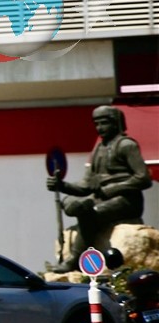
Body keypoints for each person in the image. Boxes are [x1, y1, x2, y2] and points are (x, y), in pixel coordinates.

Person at [46, 105, 152, 273]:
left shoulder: (126, 145)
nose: (100, 128)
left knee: (90, 214)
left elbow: (143, 178)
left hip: (126, 201)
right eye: (97, 124)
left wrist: (112, 189)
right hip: (101, 198)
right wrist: (62, 185)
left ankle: (75, 259)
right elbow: (87, 184)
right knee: (74, 204)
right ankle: (78, 207)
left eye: (104, 123)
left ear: (115, 123)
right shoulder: (99, 148)